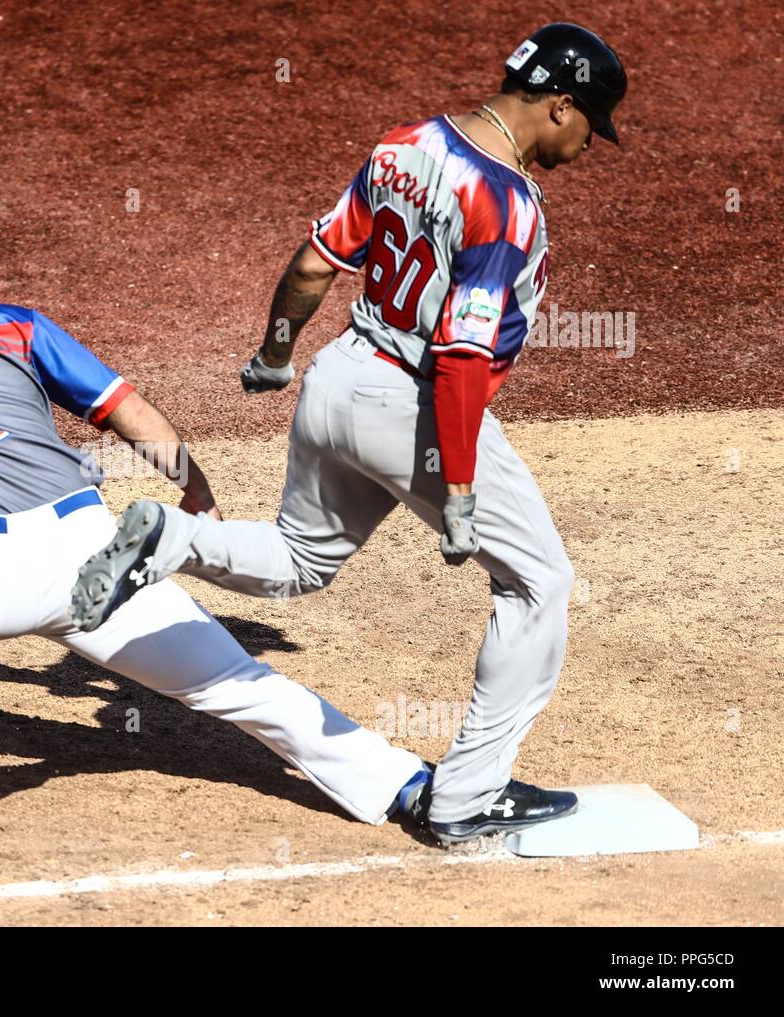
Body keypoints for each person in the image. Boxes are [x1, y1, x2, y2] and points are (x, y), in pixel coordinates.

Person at [72, 23, 628, 845]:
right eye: (592, 127)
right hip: (419, 406)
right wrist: (461, 484)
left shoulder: (403, 145)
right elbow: (464, 355)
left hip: (337, 376)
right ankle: (468, 794)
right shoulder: (504, 203)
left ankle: (174, 537)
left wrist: (274, 354)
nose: (589, 145)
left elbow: (313, 264)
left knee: (300, 560)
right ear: (560, 105)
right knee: (538, 583)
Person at [0, 234, 427, 827]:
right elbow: (126, 410)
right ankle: (404, 782)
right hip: (92, 549)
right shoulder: (6, 324)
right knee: (234, 679)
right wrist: (195, 491)